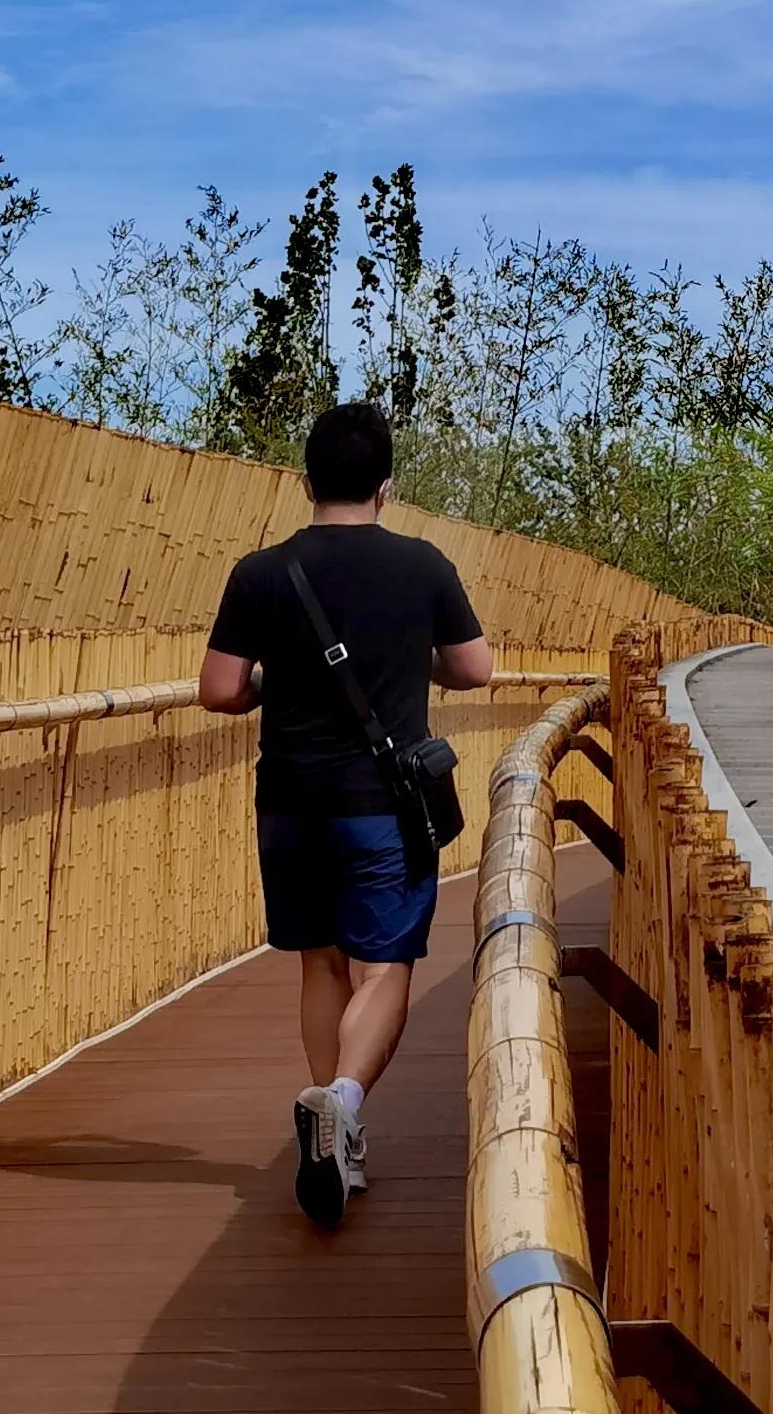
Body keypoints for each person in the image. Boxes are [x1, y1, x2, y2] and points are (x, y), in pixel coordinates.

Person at [197, 400, 494, 1226]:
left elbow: (219, 689)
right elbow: (475, 668)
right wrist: (409, 660)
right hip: (381, 807)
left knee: (320, 964)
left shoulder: (261, 572)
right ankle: (344, 1101)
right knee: (385, 967)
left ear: (306, 481)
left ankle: (335, 1138)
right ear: (385, 485)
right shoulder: (421, 564)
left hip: (290, 802)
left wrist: (275, 680)